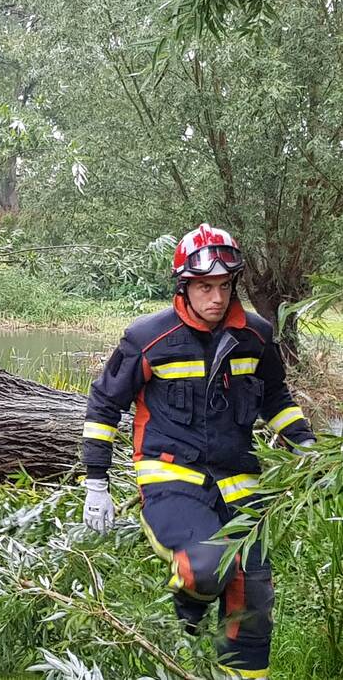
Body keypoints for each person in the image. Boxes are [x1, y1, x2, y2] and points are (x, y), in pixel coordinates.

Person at [81, 223, 316, 679]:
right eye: (205, 287)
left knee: (254, 598)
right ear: (184, 287)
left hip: (241, 483)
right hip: (170, 478)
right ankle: (186, 613)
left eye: (225, 286)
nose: (216, 298)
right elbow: (104, 403)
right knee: (206, 566)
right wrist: (96, 482)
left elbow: (275, 399)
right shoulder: (147, 337)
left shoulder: (256, 335)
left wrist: (306, 447)